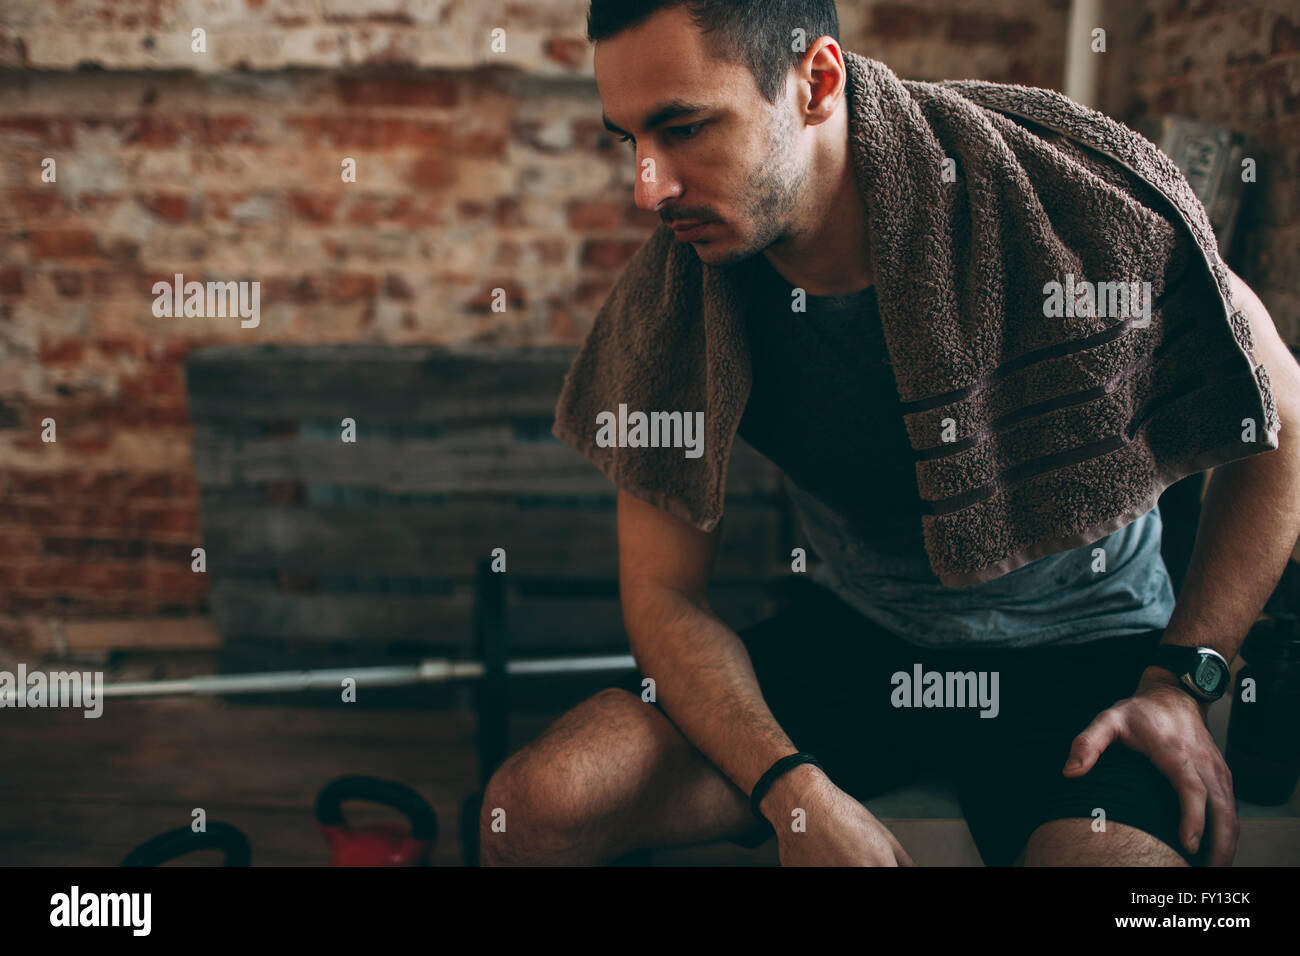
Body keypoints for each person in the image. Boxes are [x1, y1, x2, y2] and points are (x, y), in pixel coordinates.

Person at [478, 0, 1300, 866]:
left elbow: (1284, 418)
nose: (648, 187)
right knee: (532, 807)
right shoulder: (678, 296)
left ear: (817, 81)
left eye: (683, 127)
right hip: (857, 641)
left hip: (1084, 655)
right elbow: (663, 594)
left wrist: (1185, 681)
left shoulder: (1063, 201)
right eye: (629, 140)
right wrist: (792, 792)